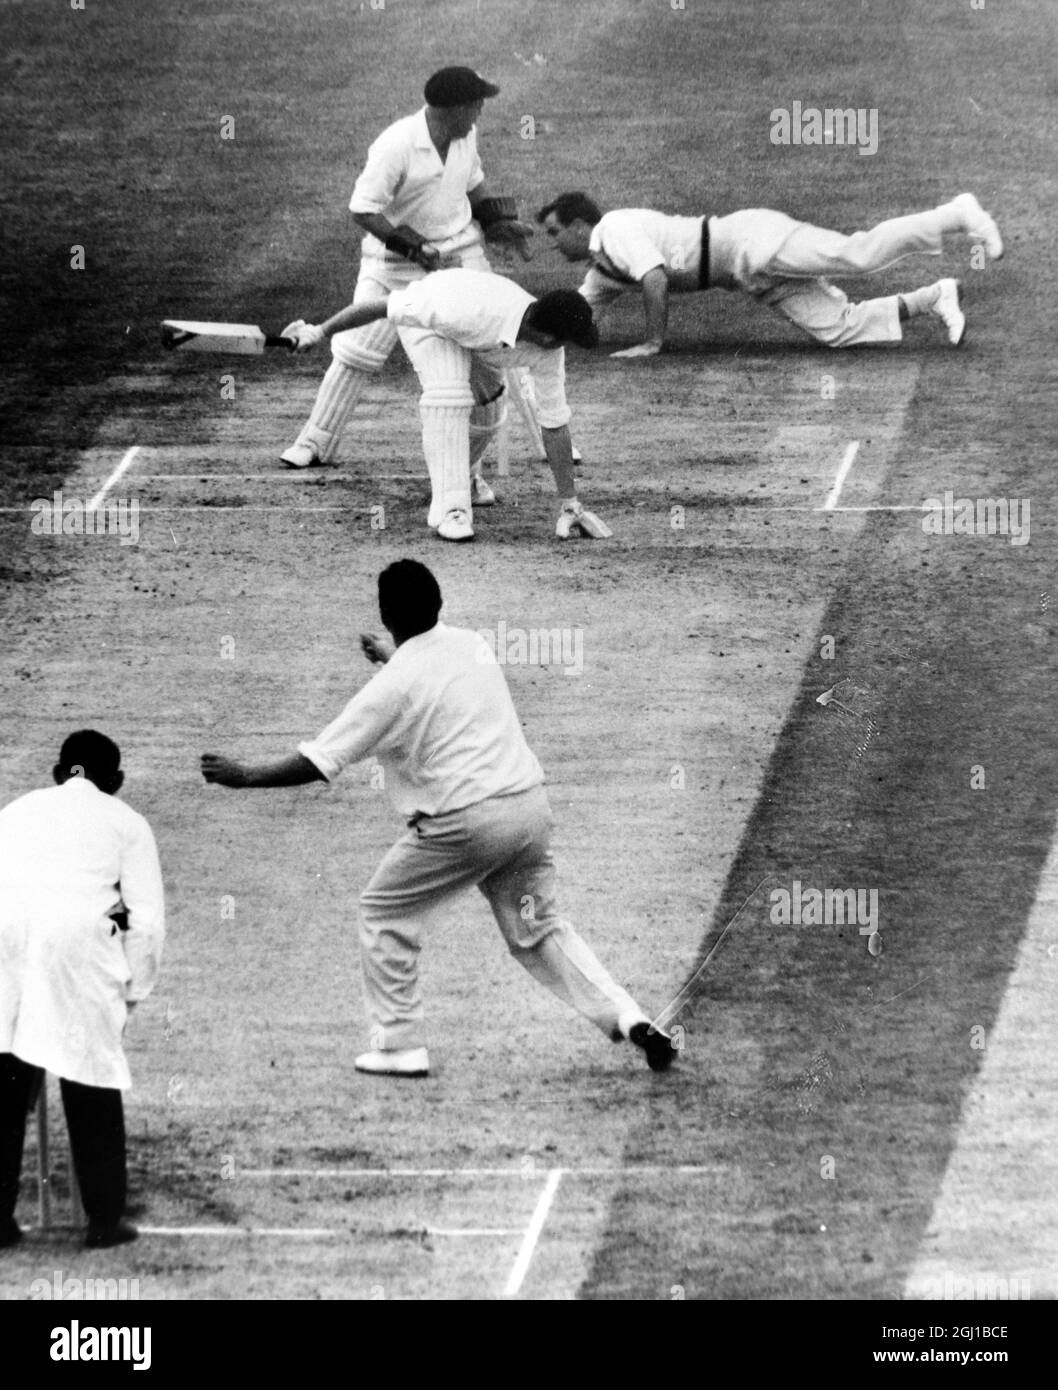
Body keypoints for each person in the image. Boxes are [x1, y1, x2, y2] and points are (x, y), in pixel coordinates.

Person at [201, 560, 674, 1077]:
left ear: (385, 615)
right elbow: (434, 676)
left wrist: (245, 776)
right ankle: (629, 1017)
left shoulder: (393, 685)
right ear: (440, 604)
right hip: (528, 811)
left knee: (384, 912)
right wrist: (394, 657)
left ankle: (398, 1045)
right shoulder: (472, 644)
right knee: (540, 928)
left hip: (466, 825)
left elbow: (320, 761)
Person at [280, 63, 534, 509]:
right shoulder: (396, 145)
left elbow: (473, 186)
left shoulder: (464, 135)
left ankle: (469, 474)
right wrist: (413, 248)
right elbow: (362, 208)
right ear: (450, 108)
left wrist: (497, 223)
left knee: (484, 356)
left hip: (458, 257)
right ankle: (315, 442)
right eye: (474, 104)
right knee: (357, 352)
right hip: (393, 264)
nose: (480, 111)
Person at [283, 268, 610, 542]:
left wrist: (570, 503)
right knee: (449, 393)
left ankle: (464, 476)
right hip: (433, 329)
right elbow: (381, 307)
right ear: (549, 337)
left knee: (490, 412)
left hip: (479, 343)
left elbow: (554, 425)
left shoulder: (550, 351)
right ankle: (451, 509)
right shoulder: (460, 309)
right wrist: (319, 331)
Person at [0, 731, 165, 1249]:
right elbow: (148, 923)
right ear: (114, 781)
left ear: (58, 770)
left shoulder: (16, 810)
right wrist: (130, 993)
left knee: (4, 1079)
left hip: (5, 941)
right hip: (75, 949)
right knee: (90, 1077)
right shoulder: (126, 822)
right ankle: (103, 1220)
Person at [536, 190, 1004, 356]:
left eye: (556, 232)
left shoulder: (613, 229)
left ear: (581, 225)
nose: (554, 242)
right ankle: (937, 296)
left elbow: (655, 277)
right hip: (747, 274)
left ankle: (957, 214)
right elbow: (581, 314)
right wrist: (532, 336)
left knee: (857, 255)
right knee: (838, 331)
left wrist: (653, 342)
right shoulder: (600, 270)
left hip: (751, 240)